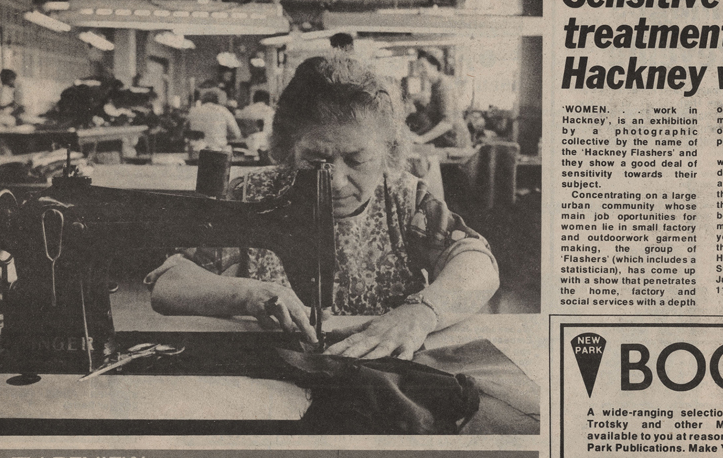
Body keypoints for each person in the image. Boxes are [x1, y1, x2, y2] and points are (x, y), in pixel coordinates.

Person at [146, 54, 499, 359]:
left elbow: (477, 262)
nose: (336, 182)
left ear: (388, 151)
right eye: (316, 160)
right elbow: (170, 284)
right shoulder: (250, 194)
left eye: (358, 159)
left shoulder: (405, 200)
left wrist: (420, 314)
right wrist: (248, 294)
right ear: (287, 149)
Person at [410, 49, 471, 148]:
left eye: (423, 66)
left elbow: (447, 122)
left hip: (456, 141)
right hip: (447, 138)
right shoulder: (435, 85)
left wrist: (422, 139)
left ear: (434, 66)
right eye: (418, 67)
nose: (420, 71)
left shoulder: (444, 86)